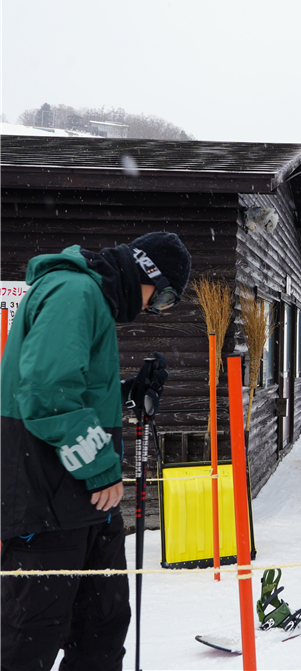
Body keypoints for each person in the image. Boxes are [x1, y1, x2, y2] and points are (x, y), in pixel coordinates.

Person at [1, 232, 191, 671]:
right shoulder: (74, 291)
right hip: (47, 506)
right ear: (146, 273)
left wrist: (127, 394)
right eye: (161, 299)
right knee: (31, 641)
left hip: (83, 508)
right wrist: (102, 468)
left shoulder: (90, 298)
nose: (151, 310)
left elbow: (73, 389)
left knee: (102, 631)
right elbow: (46, 394)